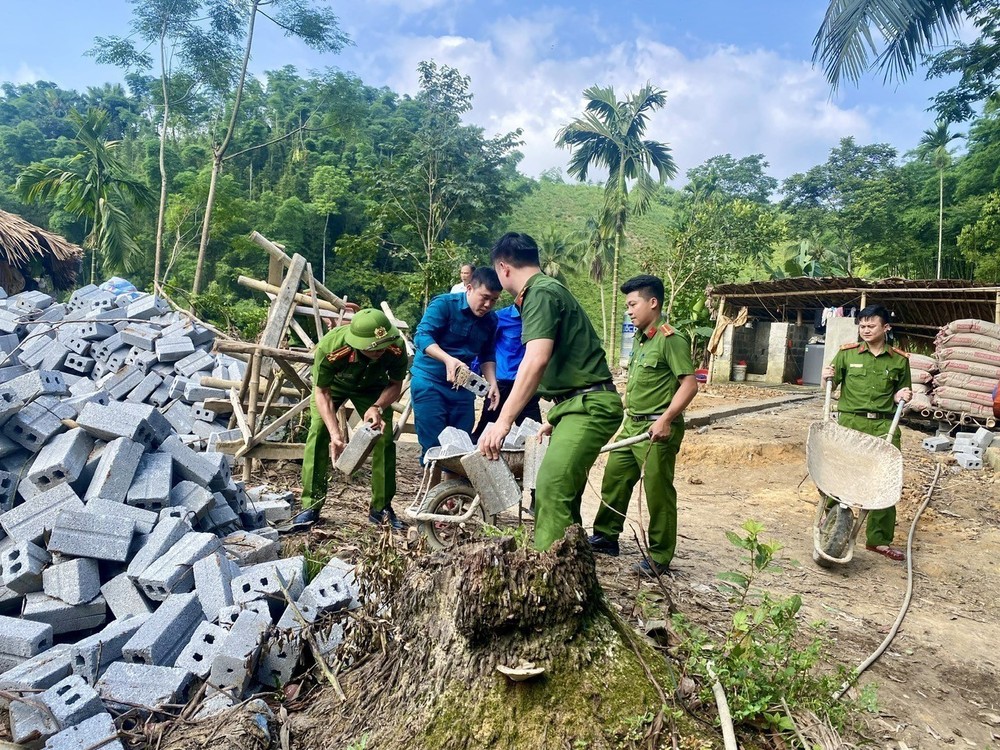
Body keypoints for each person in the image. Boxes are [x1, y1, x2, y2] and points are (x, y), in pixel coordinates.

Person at [479, 232, 624, 551]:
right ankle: (572, 568)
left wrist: (502, 423)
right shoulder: (545, 291)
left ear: (503, 268)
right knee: (562, 494)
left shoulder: (540, 292)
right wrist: (559, 416)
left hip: (590, 406)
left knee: (551, 489)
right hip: (576, 405)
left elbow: (535, 359)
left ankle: (548, 580)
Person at [589, 275, 698, 577]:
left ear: (653, 303)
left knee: (657, 492)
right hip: (632, 426)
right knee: (615, 478)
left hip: (656, 430)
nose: (629, 311)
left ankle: (660, 555)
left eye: (632, 304)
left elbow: (689, 385)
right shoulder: (641, 339)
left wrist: (665, 420)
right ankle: (606, 537)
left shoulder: (669, 339)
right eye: (626, 305)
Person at [288, 309, 409, 532]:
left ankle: (381, 507)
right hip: (335, 386)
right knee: (318, 430)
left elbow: (395, 384)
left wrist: (377, 407)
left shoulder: (395, 347)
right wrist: (336, 433)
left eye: (382, 346)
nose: (379, 351)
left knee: (384, 435)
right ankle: (311, 506)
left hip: (374, 389)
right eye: (373, 348)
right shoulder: (331, 348)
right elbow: (322, 392)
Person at [821, 304, 912, 562]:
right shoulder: (847, 354)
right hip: (851, 422)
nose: (866, 330)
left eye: (871, 325)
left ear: (886, 327)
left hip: (884, 426)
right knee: (840, 474)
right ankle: (830, 521)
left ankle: (878, 540)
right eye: (862, 326)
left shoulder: (899, 360)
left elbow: (902, 394)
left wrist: (901, 395)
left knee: (885, 481)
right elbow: (830, 383)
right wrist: (826, 375)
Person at [411, 267, 501, 459]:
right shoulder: (444, 305)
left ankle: (452, 489)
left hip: (462, 387)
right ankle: (434, 489)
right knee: (433, 447)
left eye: (493, 300)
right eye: (484, 297)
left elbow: (487, 353)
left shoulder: (491, 320)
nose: (487, 304)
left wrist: (493, 382)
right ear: (469, 288)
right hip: (430, 382)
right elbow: (422, 336)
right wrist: (448, 359)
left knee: (460, 445)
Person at [471, 304, 542, 441]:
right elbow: (484, 348)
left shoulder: (541, 319)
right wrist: (475, 375)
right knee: (484, 433)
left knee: (535, 437)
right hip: (501, 387)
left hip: (527, 386)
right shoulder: (500, 318)